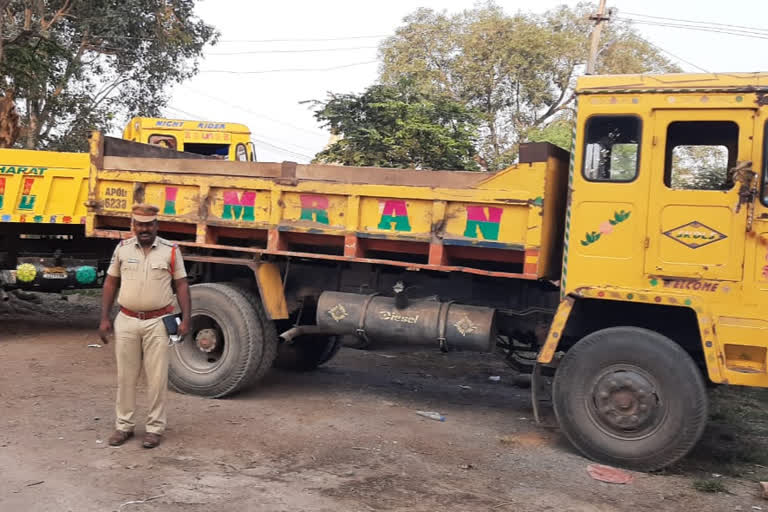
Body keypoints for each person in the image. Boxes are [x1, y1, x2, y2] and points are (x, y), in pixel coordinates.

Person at [98, 204, 191, 449]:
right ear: (133, 226)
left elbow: (181, 285)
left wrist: (187, 319)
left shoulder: (171, 251)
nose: (144, 229)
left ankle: (154, 429)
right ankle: (124, 426)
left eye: (149, 224)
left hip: (158, 322)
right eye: (139, 224)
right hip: (127, 320)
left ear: (156, 226)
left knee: (157, 378)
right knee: (126, 377)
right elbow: (110, 283)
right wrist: (105, 318)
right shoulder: (122, 249)